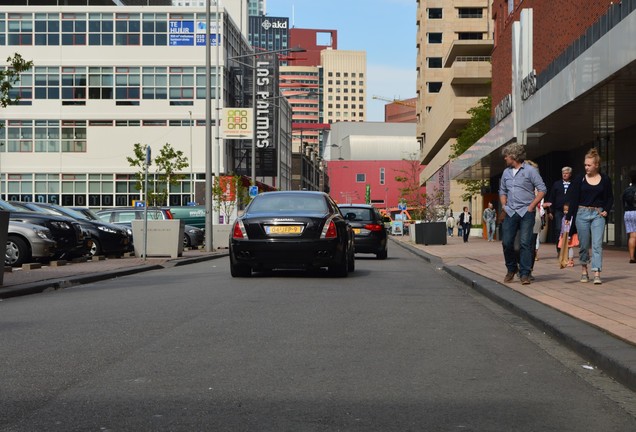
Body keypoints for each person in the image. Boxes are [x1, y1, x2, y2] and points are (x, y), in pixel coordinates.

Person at [499, 143, 547, 285]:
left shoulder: (530, 171)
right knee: (507, 242)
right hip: (511, 212)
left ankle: (525, 274)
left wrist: (532, 206)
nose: (505, 158)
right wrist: (504, 205)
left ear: (513, 156)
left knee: (525, 243)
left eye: (506, 156)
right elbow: (502, 190)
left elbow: (542, 189)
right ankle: (511, 268)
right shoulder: (506, 173)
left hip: (526, 212)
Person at [567, 148, 614, 285]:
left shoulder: (605, 179)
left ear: (596, 165)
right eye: (585, 165)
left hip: (597, 214)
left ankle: (597, 272)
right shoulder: (579, 179)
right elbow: (573, 199)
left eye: (589, 165)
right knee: (584, 244)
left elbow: (610, 198)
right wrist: (569, 217)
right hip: (581, 213)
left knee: (597, 244)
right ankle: (584, 270)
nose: (586, 167)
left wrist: (606, 209)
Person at [545, 166, 574, 254]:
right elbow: (551, 198)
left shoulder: (574, 184)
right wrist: (550, 211)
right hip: (558, 211)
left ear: (570, 174)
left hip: (570, 211)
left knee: (568, 231)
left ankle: (567, 250)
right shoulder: (556, 184)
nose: (564, 175)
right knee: (558, 229)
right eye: (563, 173)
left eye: (566, 173)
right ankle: (559, 250)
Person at [622, 170, 636, 263]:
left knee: (632, 236)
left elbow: (623, 203)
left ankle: (631, 257)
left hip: (628, 213)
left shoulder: (626, 190)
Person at [558, 203, 577, 268]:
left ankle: (570, 260)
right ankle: (565, 259)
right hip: (564, 234)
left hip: (569, 234)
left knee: (570, 247)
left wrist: (569, 236)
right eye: (564, 210)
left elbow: (570, 227)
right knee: (565, 248)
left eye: (567, 210)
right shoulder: (564, 217)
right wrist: (561, 234)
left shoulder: (571, 218)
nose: (565, 211)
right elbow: (562, 227)